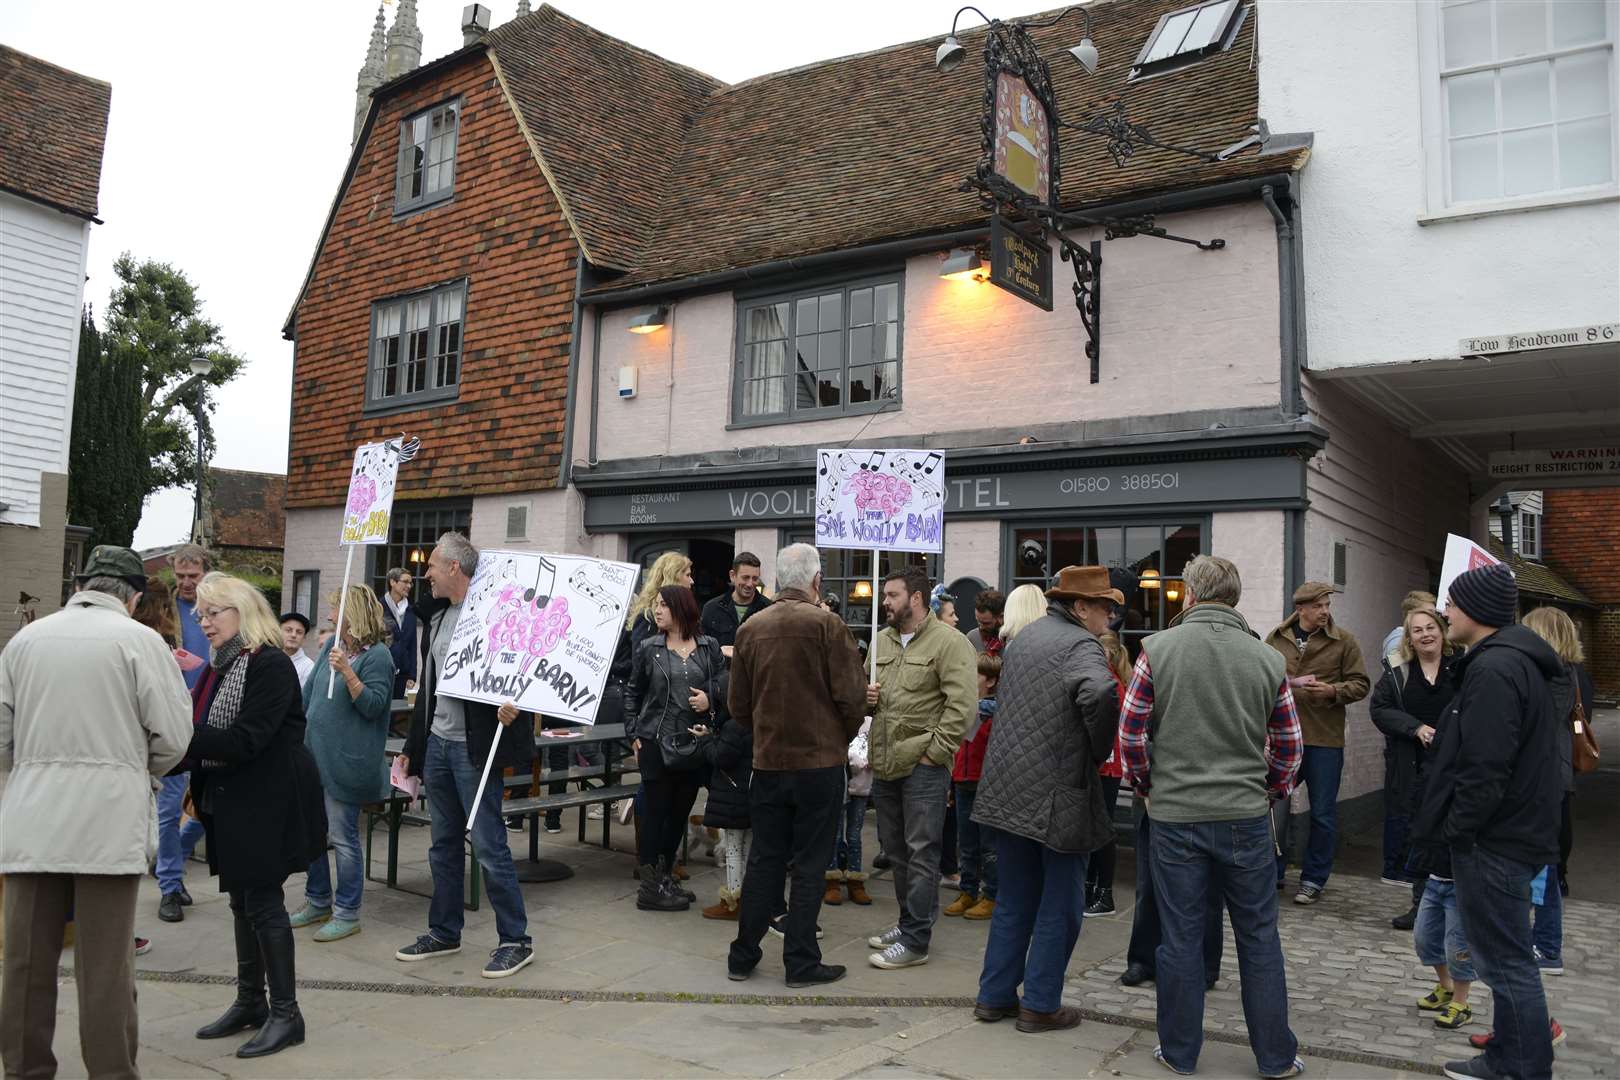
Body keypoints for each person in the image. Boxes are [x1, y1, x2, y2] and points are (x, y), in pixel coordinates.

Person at [0, 546, 194, 1079]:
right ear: (132, 596)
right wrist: (135, 769)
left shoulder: (25, 642)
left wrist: (37, 766)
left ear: (82, 586)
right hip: (109, 822)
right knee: (105, 968)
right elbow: (174, 738)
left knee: (24, 964)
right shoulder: (141, 642)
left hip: (33, 819)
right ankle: (110, 1073)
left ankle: (24, 1070)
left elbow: (1, 738)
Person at [1118, 555, 1303, 1078]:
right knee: (1259, 936)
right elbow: (1289, 745)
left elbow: (1130, 734)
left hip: (1176, 815)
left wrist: (1146, 784)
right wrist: (1271, 789)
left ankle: (1179, 1052)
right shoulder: (1267, 659)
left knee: (1179, 936)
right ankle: (1275, 1056)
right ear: (1236, 599)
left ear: (1190, 597)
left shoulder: (1157, 649)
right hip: (1245, 814)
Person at [969, 566, 1121, 1032]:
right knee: (1060, 904)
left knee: (1015, 898)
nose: (1110, 616)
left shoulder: (1027, 638)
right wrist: (1097, 750)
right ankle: (1039, 1003)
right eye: (1103, 607)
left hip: (1010, 788)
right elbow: (1100, 689)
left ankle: (994, 996)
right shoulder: (1080, 645)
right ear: (1079, 607)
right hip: (1057, 793)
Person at [1426, 563, 1561, 1080]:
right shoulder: (1509, 661)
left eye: (1453, 604)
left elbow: (1485, 765)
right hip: (1511, 834)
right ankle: (1508, 1054)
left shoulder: (1496, 669)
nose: (1445, 612)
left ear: (1477, 611)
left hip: (1495, 839)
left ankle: (1522, 1065)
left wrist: (1460, 829)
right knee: (1507, 957)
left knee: (1506, 961)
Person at [185, 571, 328, 1059]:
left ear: (243, 612)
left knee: (264, 902)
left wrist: (176, 737)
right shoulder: (221, 666)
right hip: (230, 799)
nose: (203, 622)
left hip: (268, 800)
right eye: (200, 613)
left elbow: (246, 739)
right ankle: (251, 1001)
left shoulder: (269, 665)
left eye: (213, 612)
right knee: (240, 902)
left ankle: (287, 1015)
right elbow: (205, 729)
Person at [726, 544, 867, 986]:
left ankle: (743, 954)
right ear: (816, 581)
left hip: (769, 762)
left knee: (765, 859)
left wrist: (765, 734)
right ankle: (801, 960)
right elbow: (852, 700)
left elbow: (738, 706)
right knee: (809, 864)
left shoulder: (752, 628)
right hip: (818, 763)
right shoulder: (828, 625)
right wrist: (836, 738)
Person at [397, 532, 535, 978]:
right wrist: (412, 749)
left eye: (433, 566)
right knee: (442, 845)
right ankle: (444, 931)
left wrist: (518, 706)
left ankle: (515, 939)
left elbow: (528, 665)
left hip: (474, 749)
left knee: (490, 846)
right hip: (438, 744)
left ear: (454, 568)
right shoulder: (435, 617)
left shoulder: (494, 614)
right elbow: (429, 690)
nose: (427, 574)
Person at [864, 566, 979, 970]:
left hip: (923, 768)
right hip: (885, 763)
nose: (885, 603)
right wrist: (867, 697)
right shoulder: (881, 642)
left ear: (915, 598)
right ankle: (910, 920)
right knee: (896, 852)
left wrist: (935, 753)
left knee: (922, 851)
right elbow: (865, 700)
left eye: (892, 595)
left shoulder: (949, 643)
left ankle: (916, 941)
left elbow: (963, 706)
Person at [289, 586, 395, 942]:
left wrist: (348, 672)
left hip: (346, 762)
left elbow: (374, 706)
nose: (330, 615)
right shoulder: (333, 644)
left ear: (352, 613)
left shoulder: (378, 656)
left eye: (336, 609)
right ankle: (318, 899)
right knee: (311, 834)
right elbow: (309, 696)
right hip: (314, 756)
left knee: (342, 837)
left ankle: (347, 911)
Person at [1264, 581, 1370, 905]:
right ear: (1301, 609)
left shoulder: (1344, 642)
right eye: (1319, 606)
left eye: (1327, 605)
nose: (1325, 611)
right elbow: (1264, 678)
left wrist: (1333, 692)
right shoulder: (1276, 639)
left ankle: (1313, 879)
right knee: (1270, 807)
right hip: (1283, 737)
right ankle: (1273, 872)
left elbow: (1361, 684)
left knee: (1323, 813)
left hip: (1324, 739)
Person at [625, 585, 727, 912]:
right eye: (656, 605)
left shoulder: (708, 646)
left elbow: (724, 682)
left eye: (664, 606)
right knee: (656, 814)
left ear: (681, 609)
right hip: (655, 741)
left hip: (693, 742)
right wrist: (632, 733)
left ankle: (665, 876)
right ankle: (650, 888)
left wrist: (711, 697)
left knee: (679, 812)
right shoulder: (648, 647)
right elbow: (633, 692)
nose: (657, 611)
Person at [1371, 605, 1457, 930]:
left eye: (1430, 627)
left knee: (1452, 837)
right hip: (1413, 768)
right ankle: (1422, 908)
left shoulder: (1460, 667)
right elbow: (1380, 708)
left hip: (1453, 767)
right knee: (1420, 837)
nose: (1425, 635)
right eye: (1417, 630)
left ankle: (1458, 911)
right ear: (1409, 637)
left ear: (1442, 630)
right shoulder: (1398, 670)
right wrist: (1415, 728)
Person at [1520, 606, 1591, 976]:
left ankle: (1547, 947)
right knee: (1541, 866)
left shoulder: (1558, 675)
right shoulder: (1564, 673)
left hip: (1549, 781)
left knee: (1543, 869)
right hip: (1553, 779)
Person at [156, 543, 213, 923]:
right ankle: (170, 885)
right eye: (181, 577)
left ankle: (168, 861)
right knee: (168, 809)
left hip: (211, 719)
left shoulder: (217, 610)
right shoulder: (164, 612)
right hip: (173, 719)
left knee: (209, 806)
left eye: (193, 577)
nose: (187, 583)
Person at [945, 652, 1000, 921]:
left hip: (985, 783)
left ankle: (991, 894)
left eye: (975, 674)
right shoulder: (964, 705)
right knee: (965, 842)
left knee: (988, 844)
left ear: (990, 681)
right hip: (962, 781)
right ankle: (968, 889)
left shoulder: (994, 710)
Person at [1083, 631, 1131, 918]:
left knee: (1101, 830)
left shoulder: (1110, 684)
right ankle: (1091, 886)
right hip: (1104, 764)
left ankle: (1105, 893)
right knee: (1096, 828)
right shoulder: (1112, 681)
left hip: (1106, 764)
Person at [825, 715, 875, 906]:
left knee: (854, 835)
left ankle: (855, 881)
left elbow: (876, 749)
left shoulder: (870, 723)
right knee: (835, 835)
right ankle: (831, 881)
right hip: (838, 783)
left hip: (861, 788)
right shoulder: (835, 717)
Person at [700, 551, 770, 650]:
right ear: (732, 576)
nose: (750, 584)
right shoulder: (711, 608)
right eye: (745, 578)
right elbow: (703, 650)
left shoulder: (769, 609)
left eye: (755, 578)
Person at [380, 567, 418, 699]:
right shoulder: (378, 608)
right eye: (405, 582)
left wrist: (412, 674)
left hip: (403, 675)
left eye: (410, 583)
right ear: (392, 582)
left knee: (397, 714)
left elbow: (412, 645)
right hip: (382, 671)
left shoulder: (410, 612)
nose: (409, 586)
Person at [280, 611, 315, 686]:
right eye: (288, 630)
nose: (293, 635)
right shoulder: (270, 659)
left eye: (299, 632)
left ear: (304, 637)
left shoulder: (308, 667)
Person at [965, 589, 1005, 655]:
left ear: (1001, 617)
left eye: (986, 623)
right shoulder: (972, 637)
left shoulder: (1011, 639)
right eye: (978, 621)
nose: (981, 627)